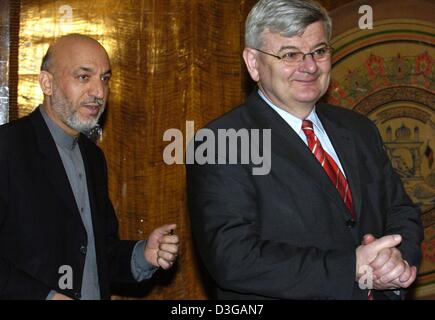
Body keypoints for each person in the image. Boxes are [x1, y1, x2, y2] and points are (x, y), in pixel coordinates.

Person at [187, 0, 423, 300]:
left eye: (320, 51)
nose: (310, 66)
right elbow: (234, 258)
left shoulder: (359, 129)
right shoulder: (222, 142)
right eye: (290, 54)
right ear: (253, 63)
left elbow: (401, 210)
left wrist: (396, 261)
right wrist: (351, 266)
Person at [0, 34, 179, 300]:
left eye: (104, 79)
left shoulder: (92, 157)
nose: (99, 92)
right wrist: (45, 297)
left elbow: (95, 252)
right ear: (46, 83)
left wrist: (141, 256)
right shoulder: (7, 147)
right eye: (84, 77)